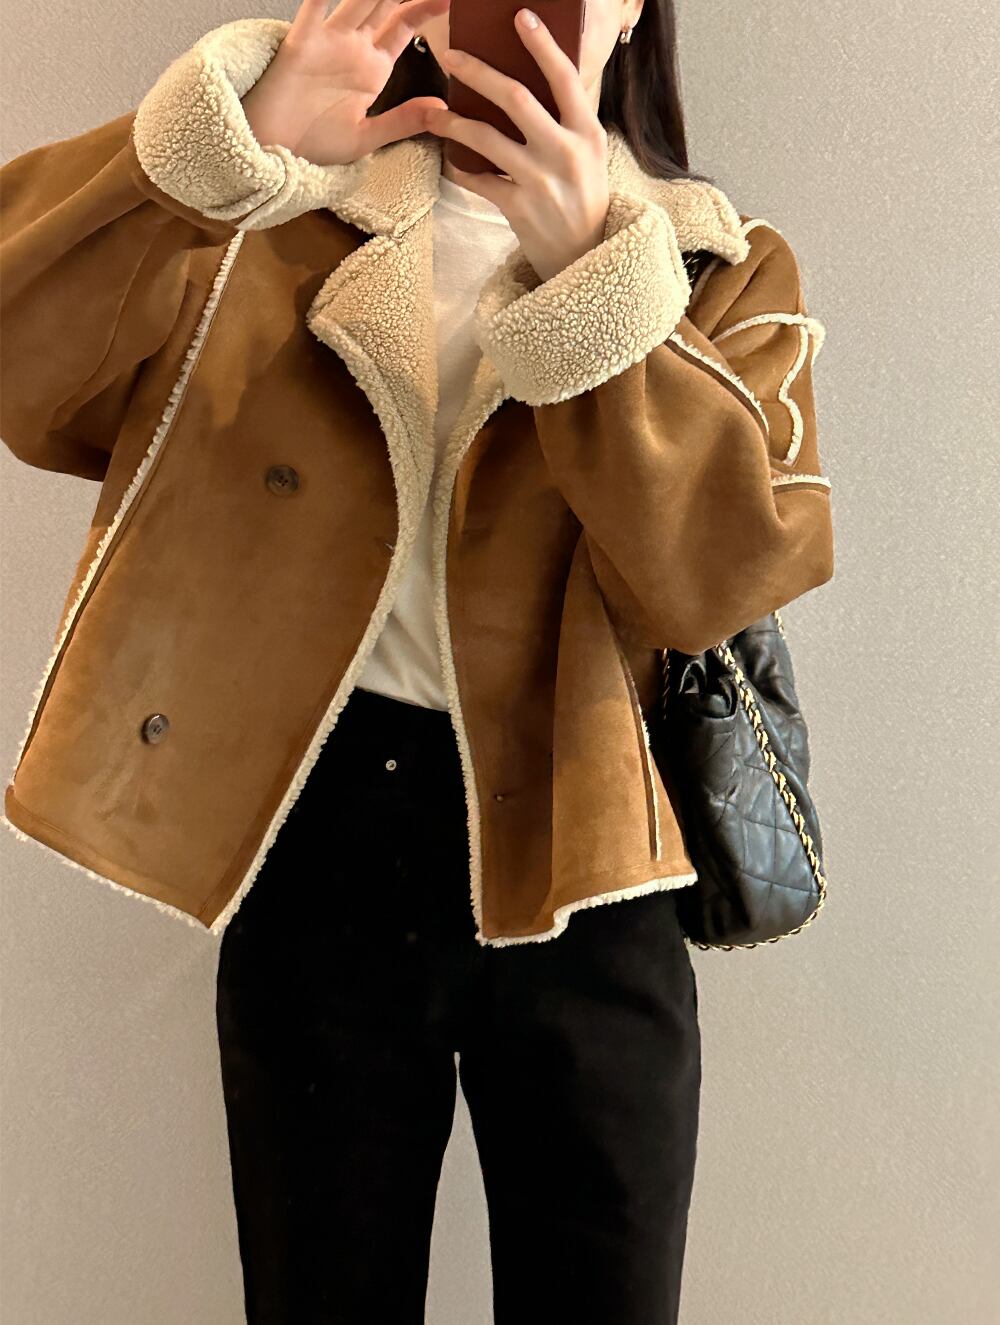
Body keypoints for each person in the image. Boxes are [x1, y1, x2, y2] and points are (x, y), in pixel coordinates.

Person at [0, 1, 835, 1320]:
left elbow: (719, 580)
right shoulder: (283, 208)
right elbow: (27, 369)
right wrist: (236, 143)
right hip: (317, 832)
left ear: (633, 10)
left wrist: (595, 274)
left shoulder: (714, 266)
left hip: (589, 851)